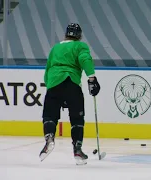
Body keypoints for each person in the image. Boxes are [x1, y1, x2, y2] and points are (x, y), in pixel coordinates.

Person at [39, 23, 101, 165]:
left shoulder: (56, 48)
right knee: (77, 118)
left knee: (49, 114)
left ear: (65, 34)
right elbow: (84, 59)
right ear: (79, 35)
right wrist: (92, 79)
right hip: (72, 83)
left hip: (54, 82)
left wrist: (50, 86)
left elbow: (48, 68)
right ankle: (77, 150)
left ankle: (49, 138)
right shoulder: (80, 46)